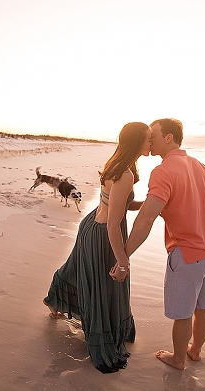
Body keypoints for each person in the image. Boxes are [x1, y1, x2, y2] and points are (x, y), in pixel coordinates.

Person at [43, 122, 150, 373]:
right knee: (105, 285)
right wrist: (124, 262)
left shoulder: (118, 164)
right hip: (102, 233)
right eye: (147, 140)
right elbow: (114, 224)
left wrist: (154, 203)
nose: (150, 144)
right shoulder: (125, 174)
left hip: (91, 225)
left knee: (77, 269)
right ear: (136, 142)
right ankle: (89, 325)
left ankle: (53, 300)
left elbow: (122, 204)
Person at [122, 118, 205, 370]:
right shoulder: (202, 167)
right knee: (203, 307)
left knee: (183, 313)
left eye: (154, 135)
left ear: (169, 137)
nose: (150, 139)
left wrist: (124, 256)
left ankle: (178, 359)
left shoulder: (163, 171)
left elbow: (146, 219)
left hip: (187, 254)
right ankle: (195, 351)